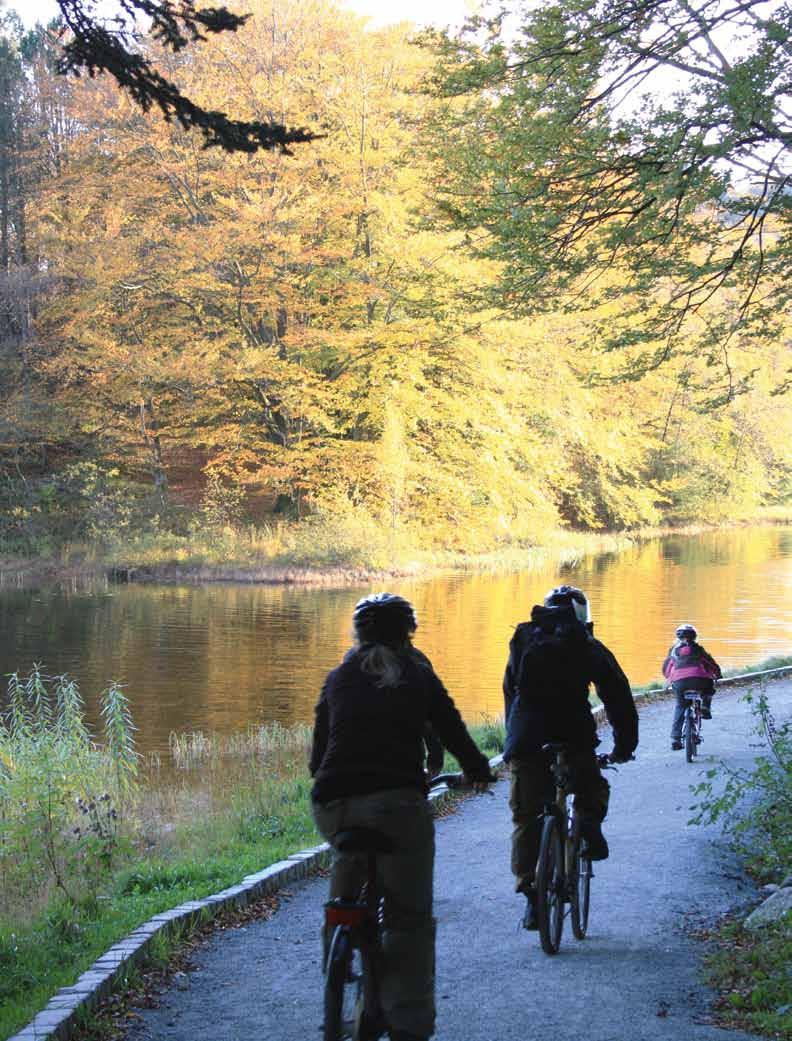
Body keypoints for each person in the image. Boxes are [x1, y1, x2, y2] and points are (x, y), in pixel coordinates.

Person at [310, 592, 493, 1041]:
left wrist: (333, 787)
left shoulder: (338, 677)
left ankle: (339, 948)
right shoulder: (417, 675)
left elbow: (318, 755)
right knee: (407, 919)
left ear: (358, 634)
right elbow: (451, 729)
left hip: (332, 804)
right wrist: (478, 771)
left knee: (346, 881)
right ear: (407, 634)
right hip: (398, 806)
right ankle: (409, 1026)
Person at [502, 584, 638, 930]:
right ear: (583, 614)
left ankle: (531, 896)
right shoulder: (587, 645)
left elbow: (510, 691)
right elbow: (617, 697)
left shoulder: (523, 639)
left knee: (525, 818)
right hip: (572, 736)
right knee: (592, 788)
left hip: (526, 740)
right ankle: (589, 830)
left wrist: (512, 743)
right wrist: (624, 747)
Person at [662, 623, 722, 750]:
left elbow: (667, 668)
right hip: (699, 680)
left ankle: (676, 739)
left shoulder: (674, 651)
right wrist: (718, 674)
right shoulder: (699, 649)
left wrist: (668, 680)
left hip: (680, 683)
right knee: (708, 688)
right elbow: (710, 663)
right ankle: (705, 707)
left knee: (680, 706)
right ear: (694, 637)